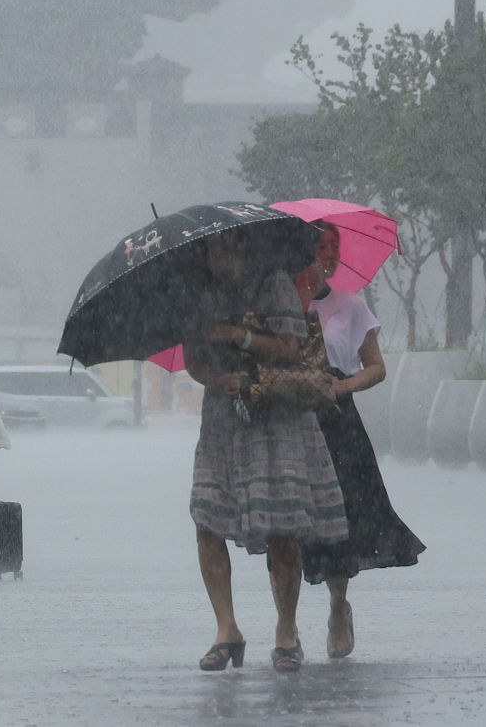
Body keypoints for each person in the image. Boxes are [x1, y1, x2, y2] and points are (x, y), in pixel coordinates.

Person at [183, 230, 347, 672]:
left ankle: (286, 632)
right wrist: (216, 380)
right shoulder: (200, 293)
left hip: (276, 418)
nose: (216, 258)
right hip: (221, 422)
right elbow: (193, 358)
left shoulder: (273, 282)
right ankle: (226, 630)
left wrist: (240, 337)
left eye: (222, 248)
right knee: (207, 519)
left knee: (283, 524)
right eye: (209, 251)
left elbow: (291, 348)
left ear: (239, 246)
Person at [294, 223, 424, 659]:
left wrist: (340, 387)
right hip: (289, 420)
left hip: (336, 423)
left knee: (339, 517)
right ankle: (285, 624)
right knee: (289, 522)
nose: (329, 254)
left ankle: (337, 607)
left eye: (335, 247)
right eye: (321, 246)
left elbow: (376, 367)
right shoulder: (279, 305)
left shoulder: (349, 306)